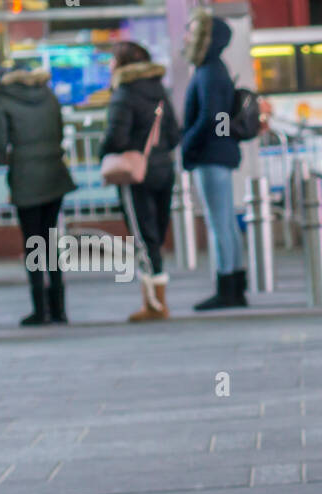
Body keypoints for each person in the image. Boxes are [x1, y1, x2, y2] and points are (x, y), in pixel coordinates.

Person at [0, 65, 77, 326]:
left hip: (25, 177)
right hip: (54, 173)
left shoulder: (2, 99)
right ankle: (59, 308)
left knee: (33, 243)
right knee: (50, 240)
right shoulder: (48, 94)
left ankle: (40, 309)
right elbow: (59, 131)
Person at [102, 42, 181, 322]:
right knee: (155, 234)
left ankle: (155, 304)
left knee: (142, 235)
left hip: (135, 173)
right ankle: (157, 300)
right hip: (163, 170)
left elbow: (116, 138)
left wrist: (106, 153)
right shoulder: (159, 90)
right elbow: (174, 134)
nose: (110, 64)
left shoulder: (123, 93)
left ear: (122, 63)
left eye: (112, 59)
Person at [182, 7, 247, 311]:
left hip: (211, 156)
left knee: (218, 222)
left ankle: (227, 288)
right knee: (225, 223)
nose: (187, 36)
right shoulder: (216, 68)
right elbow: (218, 117)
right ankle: (235, 285)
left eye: (192, 31)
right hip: (219, 153)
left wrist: (188, 144)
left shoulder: (208, 71)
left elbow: (211, 116)